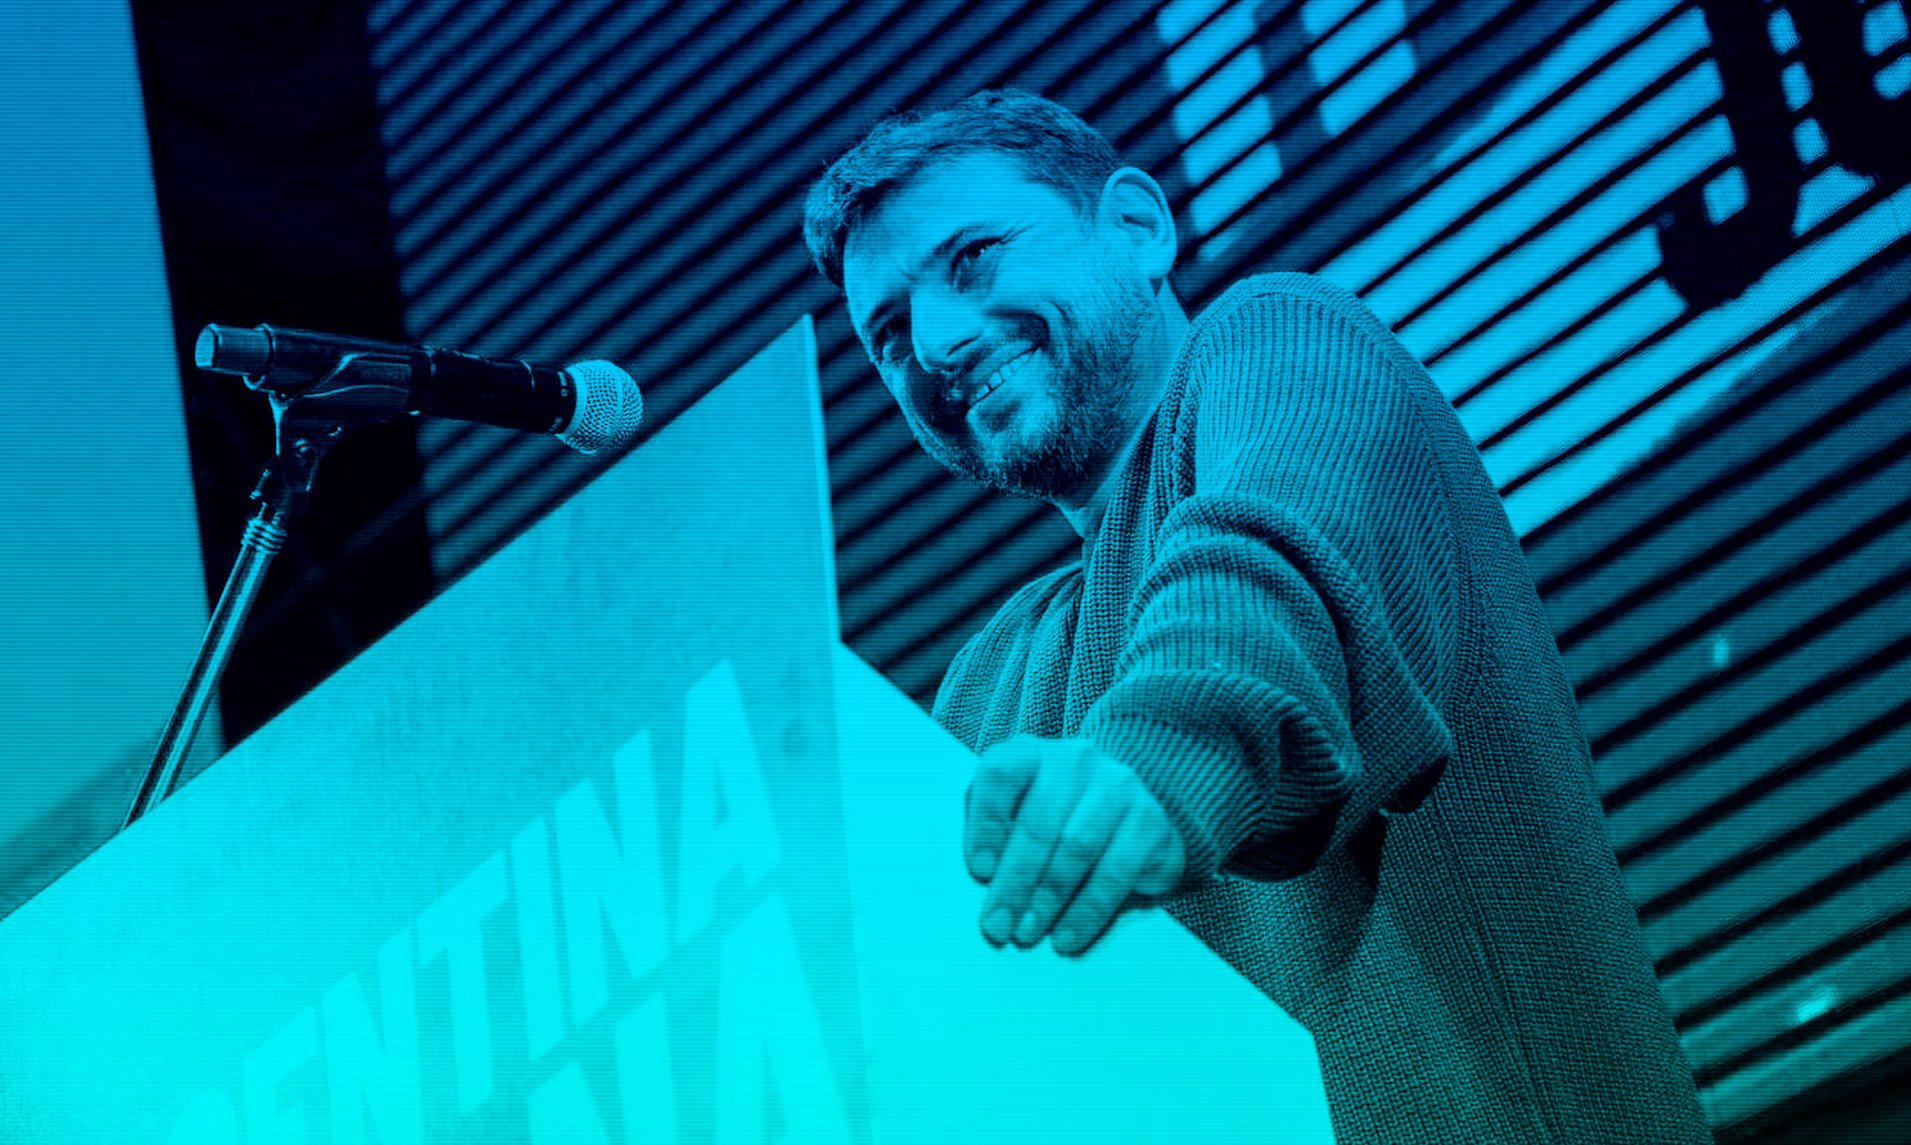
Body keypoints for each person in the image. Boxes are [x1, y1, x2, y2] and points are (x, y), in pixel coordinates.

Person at [804, 89, 1713, 1144]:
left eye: (972, 259)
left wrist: (1154, 763)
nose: (936, 341)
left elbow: (1266, 576)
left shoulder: (1282, 339)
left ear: (1137, 226)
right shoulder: (987, 682)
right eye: (888, 334)